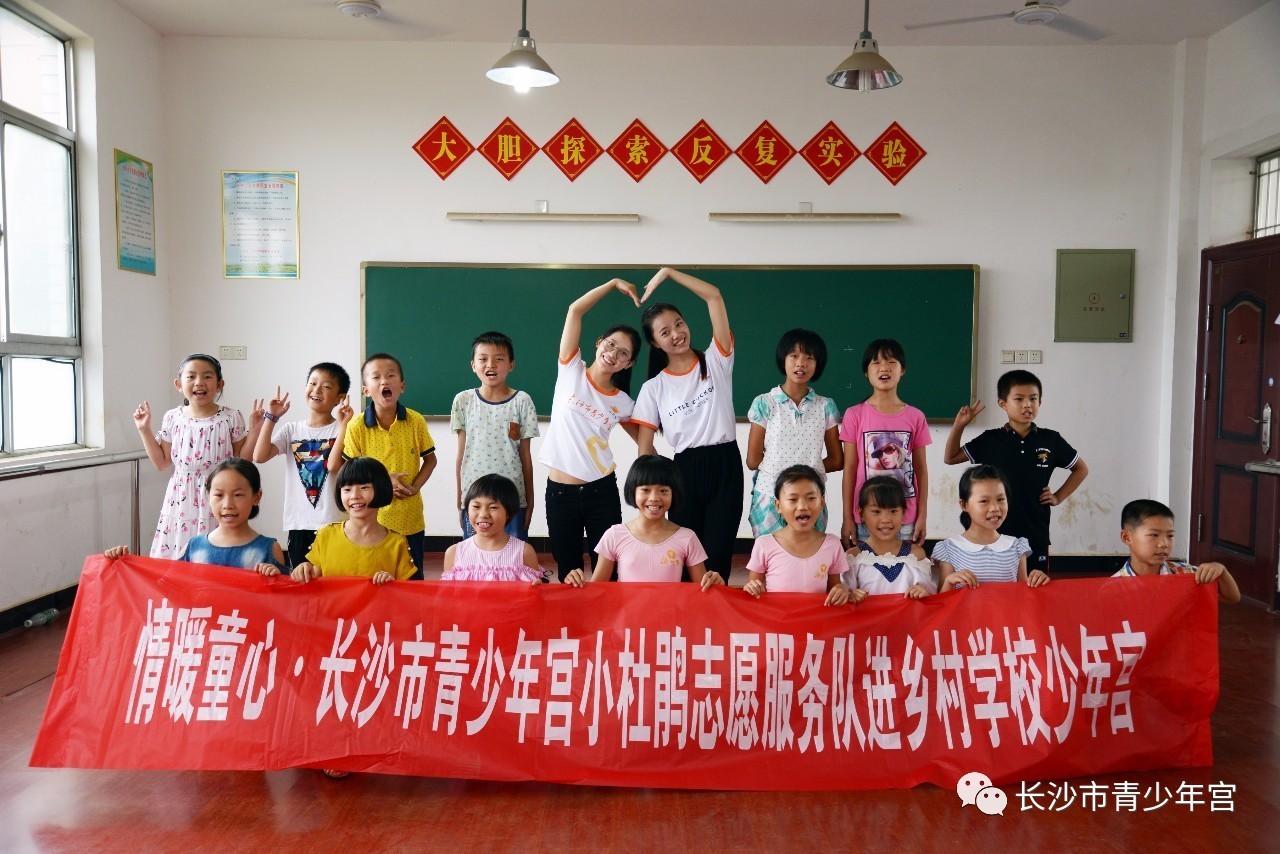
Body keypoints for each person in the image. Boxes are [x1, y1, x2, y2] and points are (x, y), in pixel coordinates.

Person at [633, 267, 740, 584]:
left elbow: (714, 296)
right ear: (655, 343)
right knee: (683, 559)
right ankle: (685, 629)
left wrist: (668, 272)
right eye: (665, 332)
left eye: (678, 324)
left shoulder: (716, 360)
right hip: (684, 471)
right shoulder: (654, 388)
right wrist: (659, 485)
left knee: (718, 557)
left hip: (725, 465)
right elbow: (644, 448)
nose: (676, 333)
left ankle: (715, 627)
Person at [539, 279, 642, 582]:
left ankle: (606, 631)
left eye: (623, 353)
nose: (613, 353)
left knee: (607, 571)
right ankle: (574, 630)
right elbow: (575, 310)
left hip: (602, 490)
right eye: (611, 344)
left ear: (628, 364)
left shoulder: (623, 402)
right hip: (560, 492)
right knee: (568, 568)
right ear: (599, 343)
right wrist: (611, 285)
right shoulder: (571, 368)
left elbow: (644, 442)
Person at [944, 369, 1089, 576]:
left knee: (1034, 587)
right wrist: (959, 426)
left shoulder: (1051, 440)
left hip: (1034, 530)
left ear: (1040, 402)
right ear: (1003, 403)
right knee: (996, 584)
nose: (1027, 405)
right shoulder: (991, 439)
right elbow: (950, 458)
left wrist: (1058, 496)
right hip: (994, 531)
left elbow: (1081, 469)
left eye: (1033, 399)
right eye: (1019, 399)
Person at [132, 353, 263, 560]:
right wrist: (144, 429)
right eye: (191, 376)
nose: (199, 382)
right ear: (178, 384)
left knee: (213, 551)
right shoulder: (172, 417)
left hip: (218, 493)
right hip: (181, 495)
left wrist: (255, 430)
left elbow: (243, 462)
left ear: (220, 384)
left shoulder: (230, 416)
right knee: (179, 553)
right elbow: (162, 462)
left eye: (208, 377)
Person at [328, 353, 436, 579]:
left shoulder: (415, 421)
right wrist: (386, 480)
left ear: (402, 386)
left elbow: (431, 460)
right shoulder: (357, 425)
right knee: (376, 579)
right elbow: (353, 472)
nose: (384, 381)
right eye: (376, 377)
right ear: (366, 390)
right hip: (373, 521)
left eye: (391, 376)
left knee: (412, 580)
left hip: (410, 518)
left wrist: (415, 487)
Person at [564, 454, 722, 590]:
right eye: (645, 490)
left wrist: (715, 583)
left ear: (675, 493)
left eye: (664, 490)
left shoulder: (687, 538)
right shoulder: (614, 535)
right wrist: (575, 581)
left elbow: (703, 592)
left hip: (668, 624)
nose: (654, 498)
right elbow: (597, 589)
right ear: (632, 491)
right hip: (627, 624)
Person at [104, 458, 284, 575]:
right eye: (219, 495)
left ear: (256, 497)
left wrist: (275, 578)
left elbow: (284, 603)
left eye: (238, 495)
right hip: (201, 631)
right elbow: (164, 586)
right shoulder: (194, 547)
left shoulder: (268, 549)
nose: (228, 504)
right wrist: (123, 564)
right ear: (207, 497)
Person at [251, 362, 350, 570]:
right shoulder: (291, 430)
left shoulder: (344, 430)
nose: (316, 389)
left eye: (326, 386)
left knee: (332, 579)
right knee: (301, 580)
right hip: (299, 523)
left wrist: (343, 426)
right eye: (312, 383)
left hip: (334, 522)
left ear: (340, 397)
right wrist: (272, 417)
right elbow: (259, 456)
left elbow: (335, 466)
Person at [746, 328, 842, 537]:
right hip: (770, 496)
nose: (801, 363)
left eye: (809, 358)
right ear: (783, 360)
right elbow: (753, 460)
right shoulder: (765, 403)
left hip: (810, 498)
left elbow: (837, 460)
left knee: (809, 557)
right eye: (794, 356)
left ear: (818, 365)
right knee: (770, 560)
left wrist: (804, 471)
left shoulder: (826, 406)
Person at [839, 339, 930, 548]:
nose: (884, 368)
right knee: (864, 575)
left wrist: (922, 516)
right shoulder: (855, 414)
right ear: (866, 372)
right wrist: (848, 517)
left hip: (905, 515)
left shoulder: (916, 417)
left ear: (903, 369)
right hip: (866, 515)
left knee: (905, 575)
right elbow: (850, 469)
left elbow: (921, 470)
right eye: (876, 362)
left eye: (891, 361)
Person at [450, 332, 539, 540]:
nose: (491, 365)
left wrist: (530, 501)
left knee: (512, 561)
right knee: (477, 562)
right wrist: (460, 499)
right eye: (483, 359)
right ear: (473, 365)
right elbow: (461, 454)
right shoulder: (463, 401)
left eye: (499, 359)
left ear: (511, 364)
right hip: (474, 498)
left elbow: (525, 456)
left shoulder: (522, 401)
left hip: (513, 499)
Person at [291, 456, 417, 585]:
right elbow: (315, 579)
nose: (354, 496)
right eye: (347, 489)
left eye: (364, 487)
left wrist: (391, 582)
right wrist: (305, 569)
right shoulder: (326, 535)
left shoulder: (397, 543)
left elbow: (405, 593)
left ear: (381, 489)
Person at [742, 465, 853, 605]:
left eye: (811, 498)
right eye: (793, 499)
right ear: (778, 506)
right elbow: (752, 589)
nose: (802, 506)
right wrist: (751, 587)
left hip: (815, 624)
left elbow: (833, 589)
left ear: (822, 502)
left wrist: (841, 589)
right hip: (778, 625)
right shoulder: (764, 544)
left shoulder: (832, 544)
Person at [933, 464, 1050, 588]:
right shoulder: (950, 548)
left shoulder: (1016, 547)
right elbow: (943, 602)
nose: (995, 508)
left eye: (1000, 499)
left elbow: (1022, 594)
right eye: (984, 501)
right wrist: (949, 581)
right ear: (964, 505)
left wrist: (1036, 581)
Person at [1114, 499, 1241, 603]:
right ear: (1127, 537)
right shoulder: (1112, 588)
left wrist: (1222, 572)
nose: (1164, 544)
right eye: (1154, 535)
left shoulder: (1189, 576)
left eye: (1170, 536)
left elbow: (1231, 598)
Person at [844, 476, 942, 599]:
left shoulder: (916, 555)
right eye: (876, 511)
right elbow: (844, 599)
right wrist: (850, 596)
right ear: (861, 513)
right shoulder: (853, 557)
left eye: (894, 511)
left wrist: (923, 592)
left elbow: (931, 600)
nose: (885, 520)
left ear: (904, 513)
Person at [440, 474, 544, 583]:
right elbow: (449, 596)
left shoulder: (524, 552)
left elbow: (533, 596)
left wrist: (537, 587)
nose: (483, 514)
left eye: (493, 507)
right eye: (476, 506)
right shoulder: (454, 553)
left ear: (508, 512)